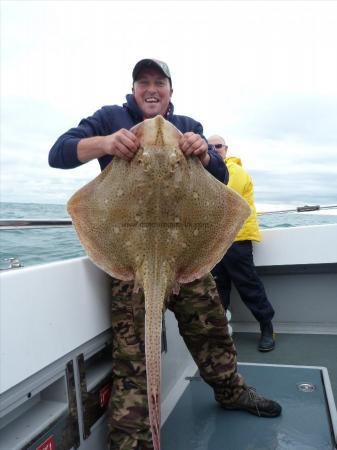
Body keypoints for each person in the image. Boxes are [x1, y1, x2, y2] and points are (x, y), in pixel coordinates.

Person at [49, 59, 281, 450]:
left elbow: (222, 180)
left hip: (186, 256)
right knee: (133, 360)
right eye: (144, 82)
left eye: (160, 82)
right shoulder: (109, 118)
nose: (151, 88)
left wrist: (205, 155)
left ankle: (230, 390)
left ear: (171, 91)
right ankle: (131, 442)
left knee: (213, 331)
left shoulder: (189, 125)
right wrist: (106, 144)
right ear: (134, 89)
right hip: (131, 263)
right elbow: (59, 153)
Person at [208, 135, 276, 352]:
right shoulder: (208, 171)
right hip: (215, 241)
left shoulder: (233, 170)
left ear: (226, 148)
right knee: (219, 290)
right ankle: (220, 336)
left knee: (248, 285)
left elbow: (221, 192)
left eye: (218, 146)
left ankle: (267, 327)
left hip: (237, 239)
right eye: (209, 146)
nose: (214, 149)